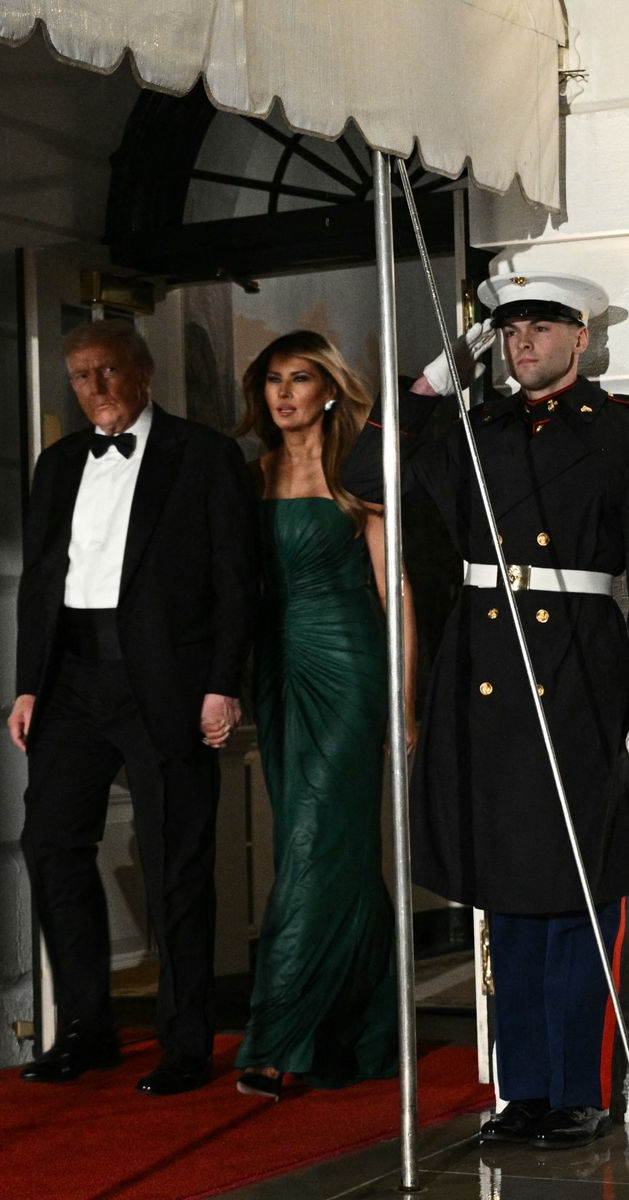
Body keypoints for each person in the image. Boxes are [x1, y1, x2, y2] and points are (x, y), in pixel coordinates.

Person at [343, 273, 629, 1149]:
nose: (521, 343)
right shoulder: (473, 428)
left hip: (580, 667)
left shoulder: (617, 428)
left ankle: (579, 1088)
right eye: (508, 331)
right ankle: (524, 1089)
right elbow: (362, 475)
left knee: (576, 890)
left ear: (578, 339)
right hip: (487, 674)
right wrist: (432, 380)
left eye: (540, 328)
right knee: (507, 891)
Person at [8, 319, 258, 1096]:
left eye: (108, 371)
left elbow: (236, 580)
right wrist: (27, 683)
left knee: (174, 860)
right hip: (71, 681)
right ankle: (87, 1027)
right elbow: (39, 579)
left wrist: (223, 684)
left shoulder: (206, 454)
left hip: (168, 683)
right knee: (49, 845)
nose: (95, 389)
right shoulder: (56, 464)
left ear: (142, 373)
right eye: (80, 376)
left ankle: (186, 1041)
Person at [231, 330, 417, 1101]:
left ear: (329, 389)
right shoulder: (248, 477)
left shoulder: (358, 471)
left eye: (298, 379)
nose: (282, 393)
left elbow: (393, 590)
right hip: (276, 670)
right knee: (331, 848)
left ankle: (282, 1037)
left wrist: (403, 703)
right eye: (272, 379)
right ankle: (366, 1030)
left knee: (310, 842)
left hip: (347, 667)